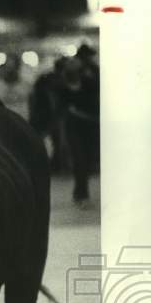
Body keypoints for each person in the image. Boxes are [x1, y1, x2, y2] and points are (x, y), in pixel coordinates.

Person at [59, 54, 100, 205]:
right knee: (79, 160)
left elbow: (94, 103)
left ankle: (80, 192)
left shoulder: (88, 83)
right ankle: (82, 194)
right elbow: (61, 110)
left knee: (86, 161)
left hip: (88, 127)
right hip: (73, 129)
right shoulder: (63, 88)